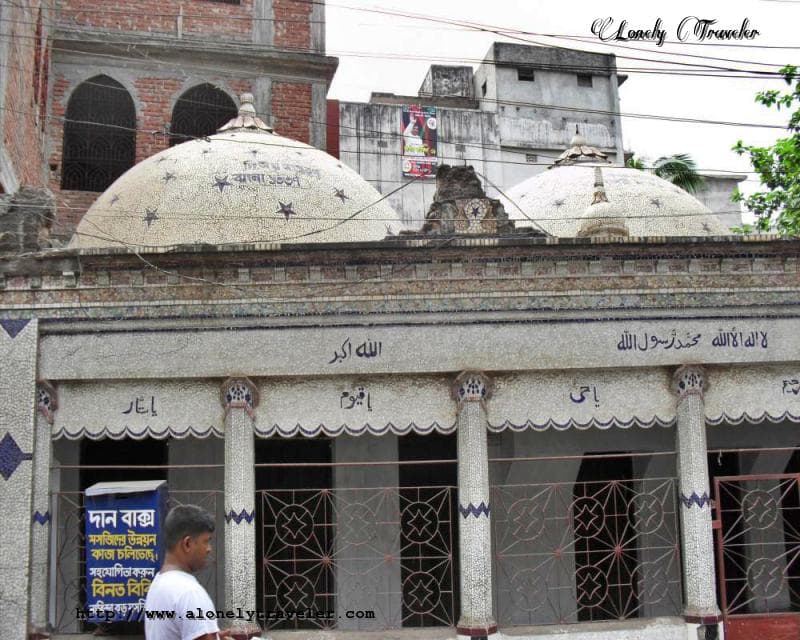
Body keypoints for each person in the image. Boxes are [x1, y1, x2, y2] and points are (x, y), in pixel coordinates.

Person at [144, 505, 230, 640]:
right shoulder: (189, 593)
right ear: (187, 544)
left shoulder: (159, 583)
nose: (209, 549)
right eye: (206, 541)